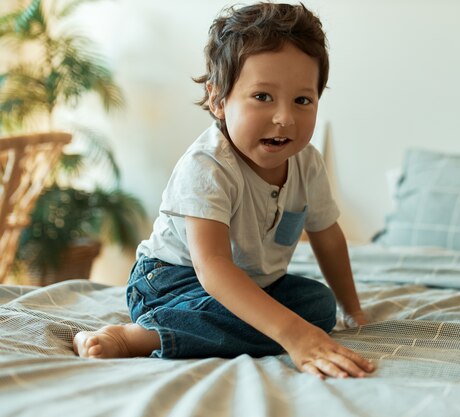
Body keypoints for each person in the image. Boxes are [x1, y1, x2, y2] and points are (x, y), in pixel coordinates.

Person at [73, 2, 375, 380]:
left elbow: (327, 236)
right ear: (218, 99)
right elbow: (212, 268)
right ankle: (137, 336)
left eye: (302, 100)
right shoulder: (208, 166)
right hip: (172, 281)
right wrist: (293, 335)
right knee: (288, 321)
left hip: (250, 284)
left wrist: (353, 311)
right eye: (263, 97)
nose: (284, 117)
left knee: (317, 305)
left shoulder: (307, 163)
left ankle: (206, 327)